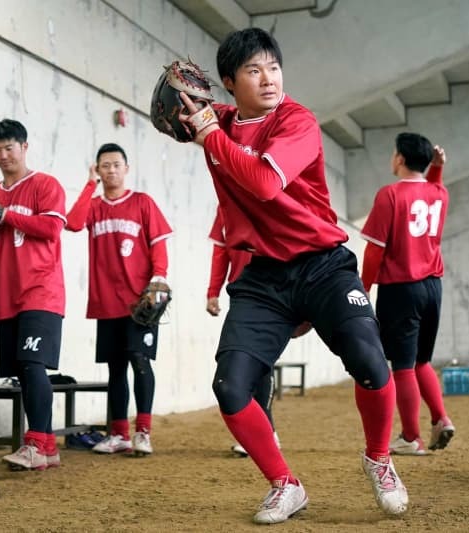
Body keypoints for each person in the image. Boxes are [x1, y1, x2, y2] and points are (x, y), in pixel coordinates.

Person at [176, 27, 409, 524]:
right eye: (254, 70)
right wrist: (184, 105)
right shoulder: (218, 119)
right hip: (263, 275)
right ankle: (285, 484)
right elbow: (182, 120)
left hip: (323, 263)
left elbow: (262, 182)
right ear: (229, 82)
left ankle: (380, 459)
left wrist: (208, 133)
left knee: (370, 359)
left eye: (274, 68)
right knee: (231, 388)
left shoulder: (297, 121)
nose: (268, 79)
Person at [0, 118, 66, 471]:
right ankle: (47, 448)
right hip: (8, 295)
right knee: (22, 368)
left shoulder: (45, 185)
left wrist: (4, 215)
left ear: (24, 147)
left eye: (9, 148)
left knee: (33, 365)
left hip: (42, 290)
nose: (3, 155)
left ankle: (35, 444)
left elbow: (51, 228)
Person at [65, 143, 172, 456]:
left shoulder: (142, 203)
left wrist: (159, 278)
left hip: (140, 302)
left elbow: (159, 245)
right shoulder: (95, 207)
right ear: (98, 170)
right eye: (104, 166)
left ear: (126, 168)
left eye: (115, 164)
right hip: (106, 302)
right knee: (115, 369)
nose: (110, 170)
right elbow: (72, 223)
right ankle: (119, 434)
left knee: (140, 362)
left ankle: (143, 432)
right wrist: (88, 185)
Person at [360, 134, 454, 456]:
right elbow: (432, 190)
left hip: (402, 288)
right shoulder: (440, 192)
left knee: (402, 364)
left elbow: (375, 250)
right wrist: (437, 169)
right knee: (421, 361)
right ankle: (440, 418)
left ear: (399, 158)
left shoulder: (389, 195)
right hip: (433, 287)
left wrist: (364, 286)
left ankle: (411, 436)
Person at [206, 206, 280, 457]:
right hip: (241, 293)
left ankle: (267, 429)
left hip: (274, 291)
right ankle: (259, 430)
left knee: (263, 363)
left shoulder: (271, 196)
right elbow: (220, 252)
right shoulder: (225, 206)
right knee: (240, 364)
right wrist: (212, 292)